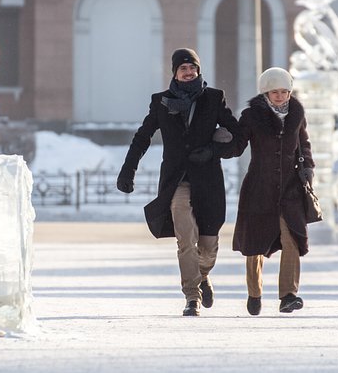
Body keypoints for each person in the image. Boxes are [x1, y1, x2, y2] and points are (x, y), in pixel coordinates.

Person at [116, 48, 240, 316]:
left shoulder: (213, 98)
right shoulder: (161, 102)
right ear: (174, 72)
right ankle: (191, 296)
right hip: (177, 182)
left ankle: (203, 275)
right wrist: (128, 171)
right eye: (183, 68)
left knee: (207, 247)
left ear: (198, 70)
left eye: (192, 68)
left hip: (208, 181)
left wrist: (213, 151)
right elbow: (142, 137)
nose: (188, 72)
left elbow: (239, 137)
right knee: (185, 238)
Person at [230, 67, 315, 316]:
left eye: (284, 91)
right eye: (275, 92)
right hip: (259, 188)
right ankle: (254, 292)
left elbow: (304, 144)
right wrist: (221, 140)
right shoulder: (251, 116)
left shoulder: (297, 114)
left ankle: (288, 295)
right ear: (266, 93)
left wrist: (308, 167)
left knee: (292, 240)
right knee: (255, 244)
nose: (280, 96)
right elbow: (236, 146)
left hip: (290, 189)